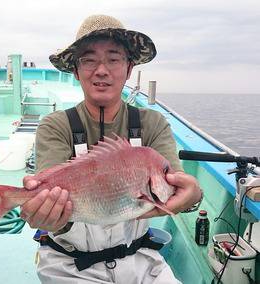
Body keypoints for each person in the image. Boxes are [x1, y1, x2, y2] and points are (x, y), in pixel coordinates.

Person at [21, 15, 202, 283]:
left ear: (129, 69)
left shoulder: (152, 123)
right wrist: (47, 215)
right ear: (76, 71)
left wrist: (194, 194)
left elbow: (175, 184)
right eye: (89, 59)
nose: (102, 70)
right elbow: (51, 203)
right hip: (68, 263)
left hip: (141, 257)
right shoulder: (55, 125)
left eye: (114, 59)